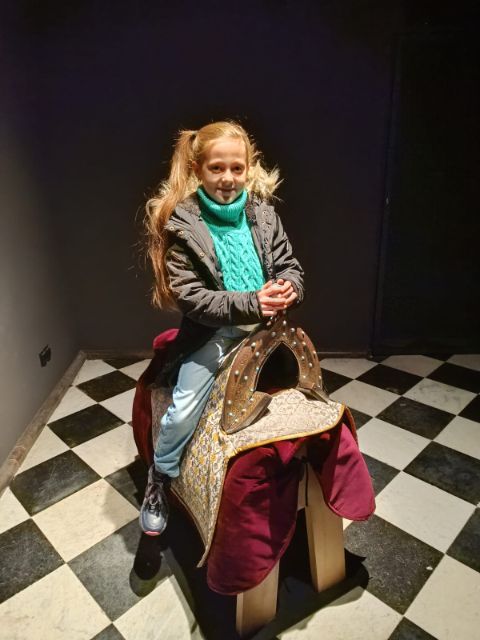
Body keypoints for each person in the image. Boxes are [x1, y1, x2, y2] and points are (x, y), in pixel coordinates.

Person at [140, 120, 305, 535]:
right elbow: (192, 297)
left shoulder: (262, 214)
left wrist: (290, 286)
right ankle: (160, 477)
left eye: (236, 167)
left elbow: (289, 264)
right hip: (213, 335)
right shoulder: (184, 224)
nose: (227, 178)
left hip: (266, 332)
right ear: (198, 169)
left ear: (249, 167)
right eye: (216, 168)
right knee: (183, 411)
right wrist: (252, 302)